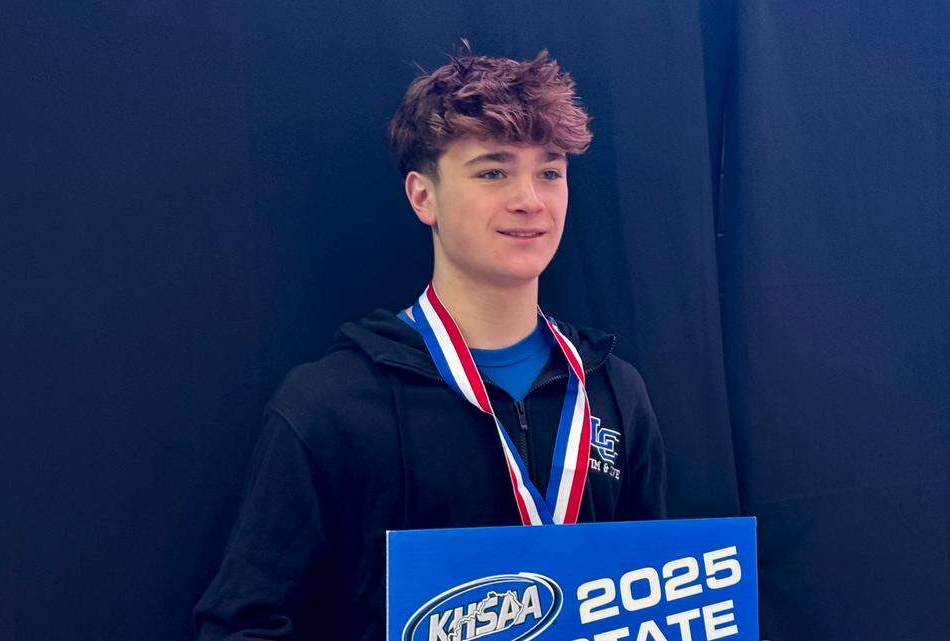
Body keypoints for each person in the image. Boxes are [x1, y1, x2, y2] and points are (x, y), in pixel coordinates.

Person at [194, 48, 666, 640]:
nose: (531, 199)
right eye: (493, 171)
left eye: (550, 171)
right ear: (423, 197)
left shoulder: (614, 391)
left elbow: (656, 601)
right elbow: (243, 623)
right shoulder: (329, 405)